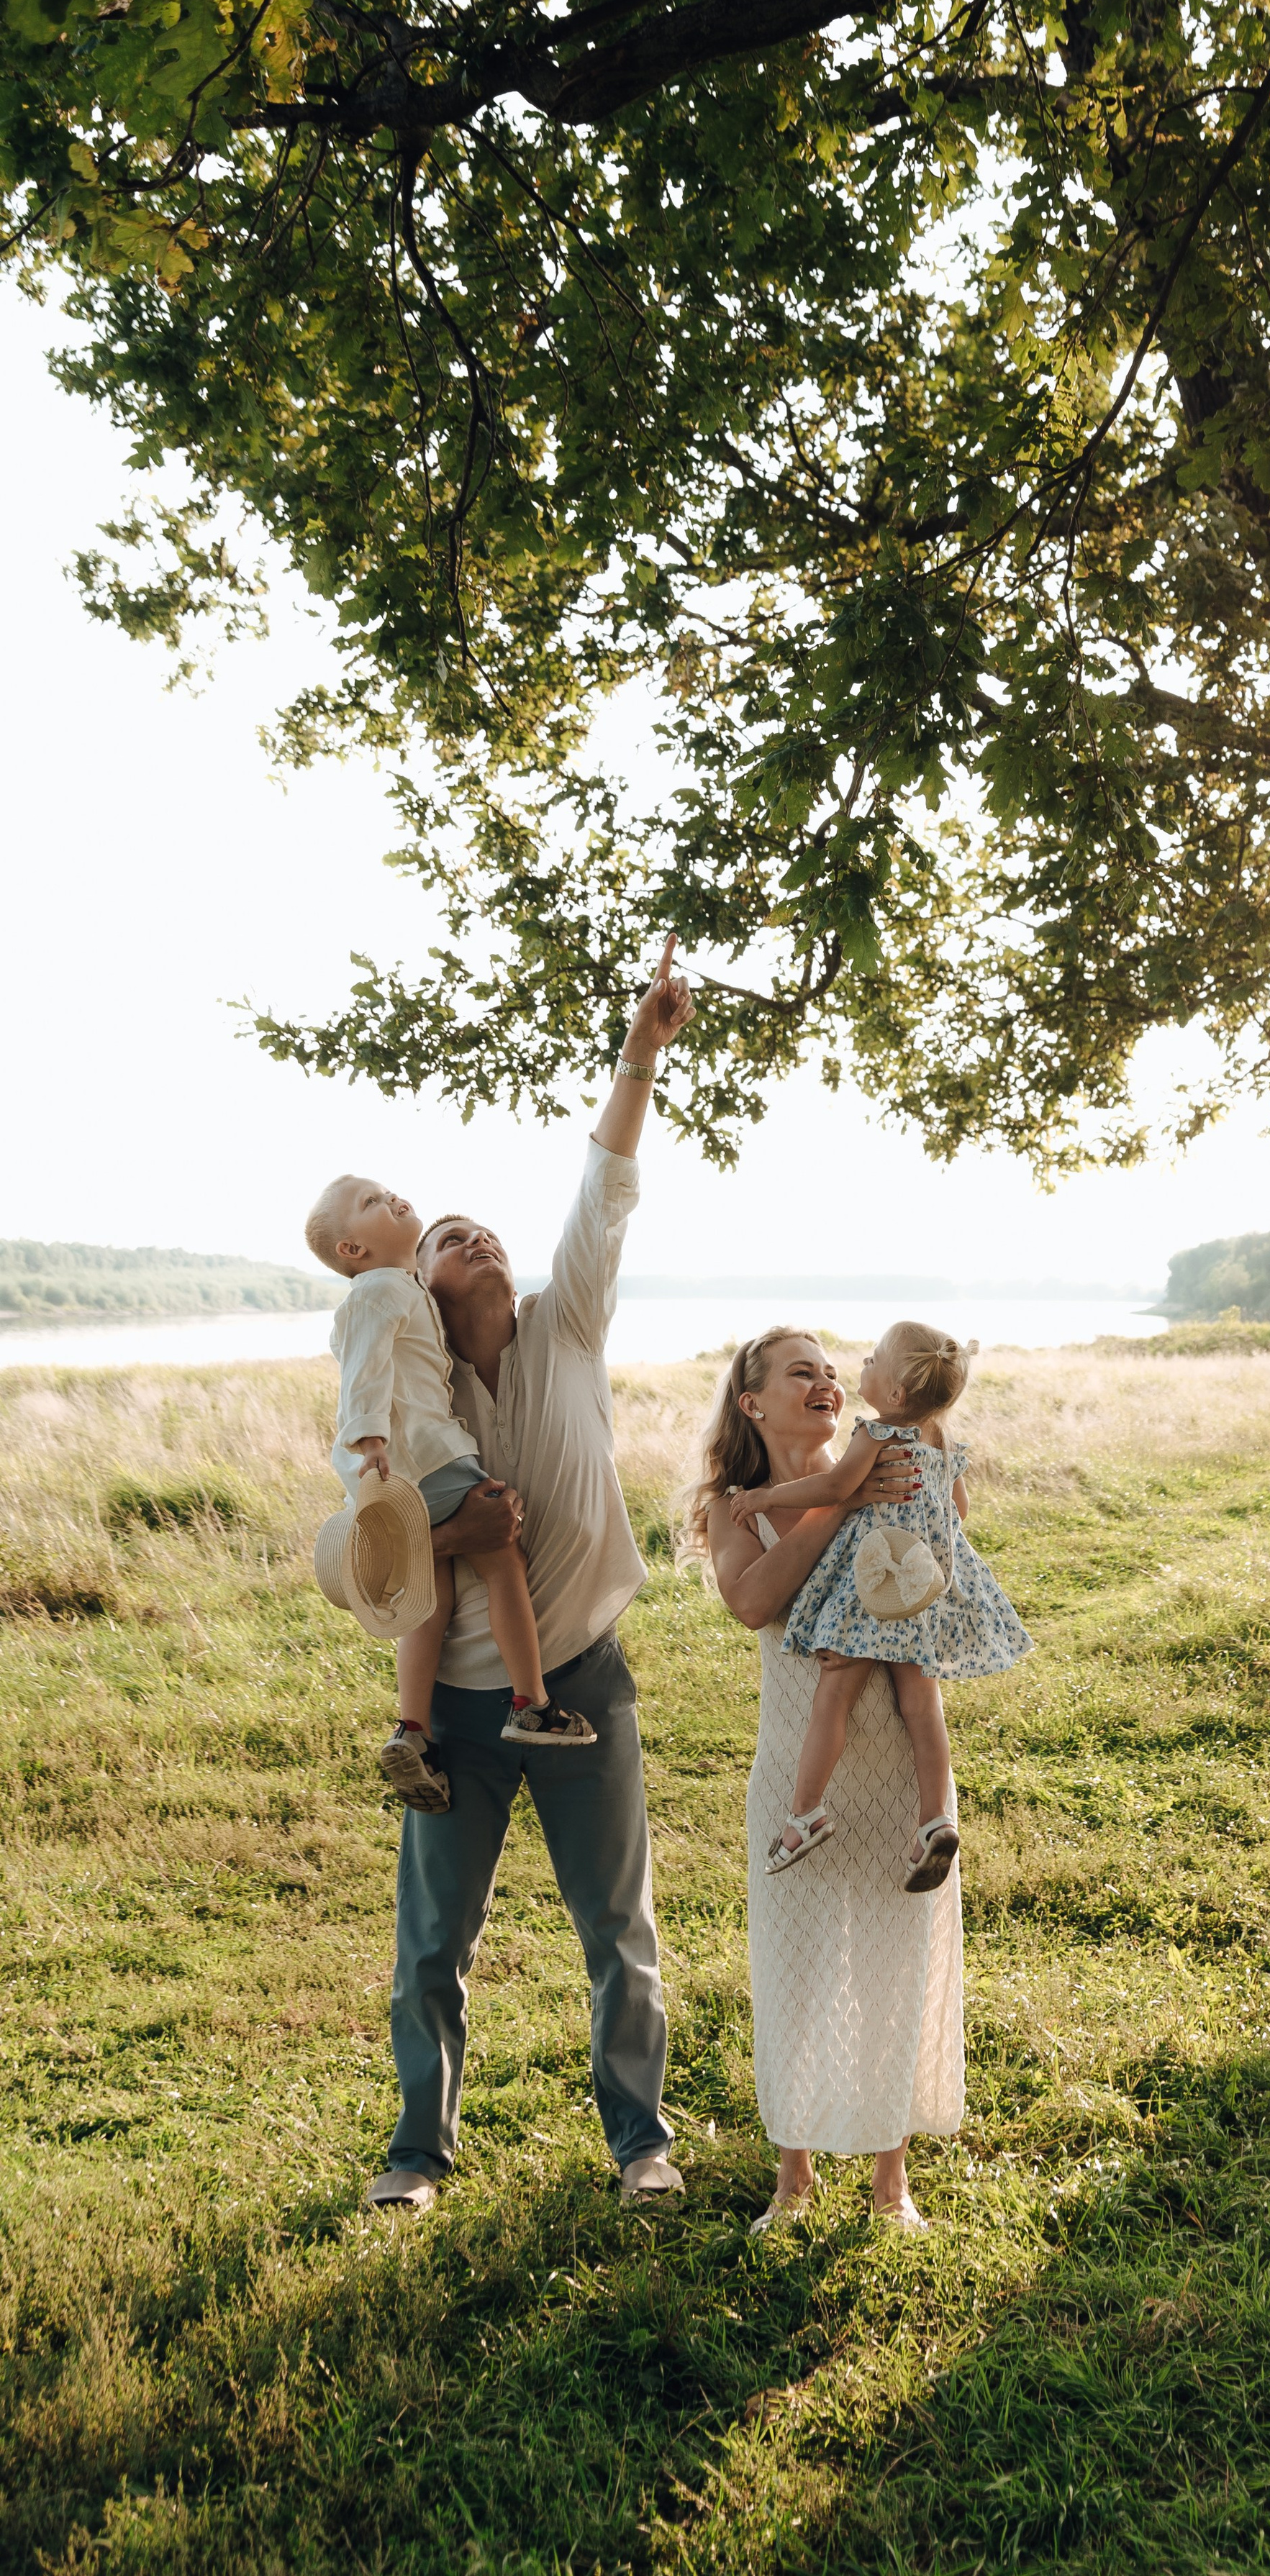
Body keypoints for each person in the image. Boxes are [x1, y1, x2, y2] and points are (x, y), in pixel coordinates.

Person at [361, 934, 694, 2213]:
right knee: (433, 1941)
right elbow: (374, 1555)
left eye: (486, 1229)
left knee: (619, 1932)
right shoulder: (407, 1392)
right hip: (458, 1706)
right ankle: (416, 2153)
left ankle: (640, 2144)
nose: (479, 1238)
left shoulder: (569, 1323)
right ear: (417, 1284)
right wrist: (454, 1538)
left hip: (585, 1689)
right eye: (450, 1235)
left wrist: (640, 1049)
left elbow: (605, 1183)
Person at [686, 1331, 959, 2234]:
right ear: (752, 1401)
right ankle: (793, 2177)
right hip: (798, 1770)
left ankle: (892, 2181)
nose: (826, 1379)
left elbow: (949, 1556)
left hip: (900, 1756)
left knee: (897, 1960)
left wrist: (917, 1474)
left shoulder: (891, 1459)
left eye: (830, 1368)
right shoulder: (738, 1507)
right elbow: (753, 1601)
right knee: (797, 1970)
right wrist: (841, 1500)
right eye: (800, 1370)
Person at [306, 1174, 594, 1820]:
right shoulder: (381, 1289)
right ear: (354, 1249)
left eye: (387, 1190)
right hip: (426, 1457)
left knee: (425, 1596)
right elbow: (365, 1369)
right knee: (502, 1559)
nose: (392, 1198)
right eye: (371, 1204)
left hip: (403, 1472)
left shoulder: (397, 1291)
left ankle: (413, 1729)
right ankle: (532, 1705)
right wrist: (370, 1438)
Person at [730, 1320, 1029, 1889]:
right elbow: (957, 1512)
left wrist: (767, 1496)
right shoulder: (941, 1439)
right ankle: (932, 1819)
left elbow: (836, 1489)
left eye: (868, 1362)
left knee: (835, 1691)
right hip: (920, 1592)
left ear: (893, 1394)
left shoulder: (874, 1435)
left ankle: (806, 1813)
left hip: (874, 1590)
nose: (856, 1369)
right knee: (922, 1702)